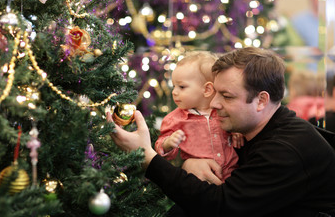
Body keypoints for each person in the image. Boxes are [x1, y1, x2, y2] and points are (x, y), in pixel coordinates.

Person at [107, 47, 335, 216]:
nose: (214, 103)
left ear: (261, 100)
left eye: (226, 96)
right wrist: (190, 162)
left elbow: (221, 207)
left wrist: (148, 158)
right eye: (214, 92)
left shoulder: (285, 149)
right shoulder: (252, 129)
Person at [155, 51, 242, 181]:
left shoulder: (222, 111)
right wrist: (168, 143)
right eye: (174, 86)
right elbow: (161, 148)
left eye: (182, 87)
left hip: (232, 174)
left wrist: (238, 132)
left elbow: (238, 124)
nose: (174, 92)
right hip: (199, 179)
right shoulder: (175, 119)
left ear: (207, 90)